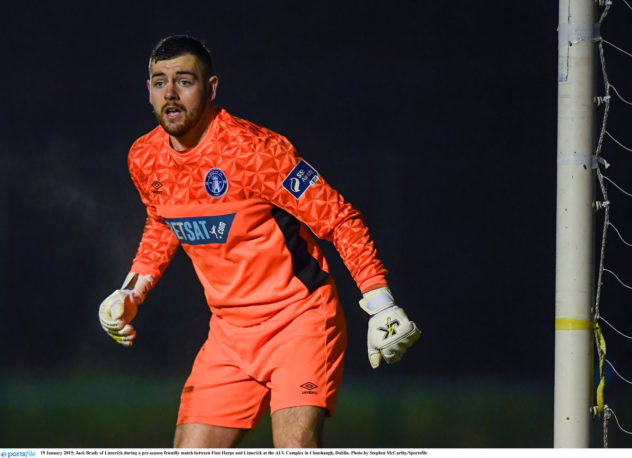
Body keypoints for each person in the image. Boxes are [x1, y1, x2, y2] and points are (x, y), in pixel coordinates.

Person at [98, 35, 421, 448]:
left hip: (298, 321)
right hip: (228, 336)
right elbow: (161, 223)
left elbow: (338, 217)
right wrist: (131, 290)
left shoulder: (256, 151)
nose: (171, 93)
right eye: (160, 82)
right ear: (148, 91)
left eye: (185, 80)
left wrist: (381, 304)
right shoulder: (144, 157)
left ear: (211, 88)